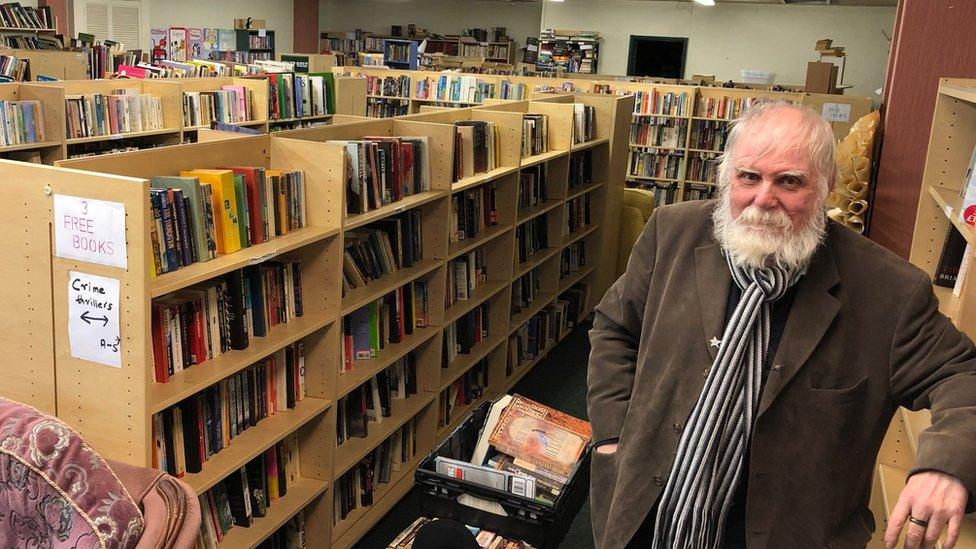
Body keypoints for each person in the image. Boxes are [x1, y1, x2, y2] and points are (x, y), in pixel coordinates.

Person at [586, 101, 976, 548]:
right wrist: (612, 436)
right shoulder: (672, 232)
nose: (763, 199)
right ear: (726, 176)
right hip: (647, 514)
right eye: (748, 176)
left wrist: (947, 464)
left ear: (826, 186)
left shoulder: (888, 291)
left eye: (789, 181)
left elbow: (964, 375)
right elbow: (614, 327)